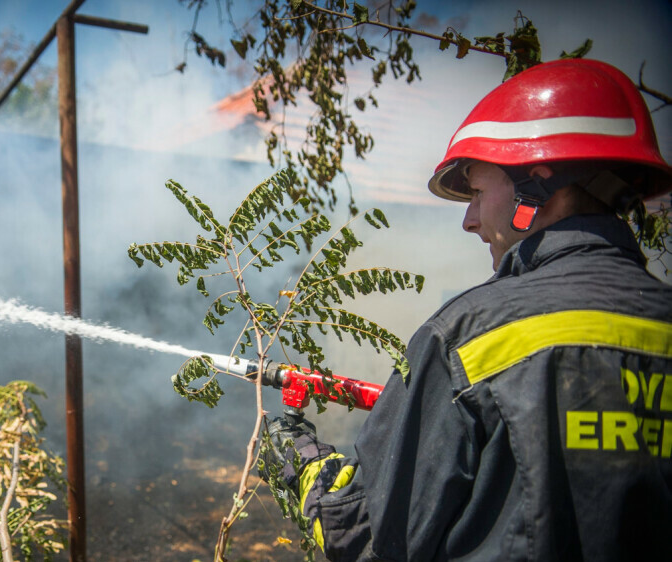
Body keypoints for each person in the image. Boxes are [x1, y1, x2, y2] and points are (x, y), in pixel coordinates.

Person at [263, 58, 672, 561]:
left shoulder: (467, 338)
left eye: (477, 192)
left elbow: (373, 538)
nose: (469, 220)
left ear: (537, 183)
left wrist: (305, 465)